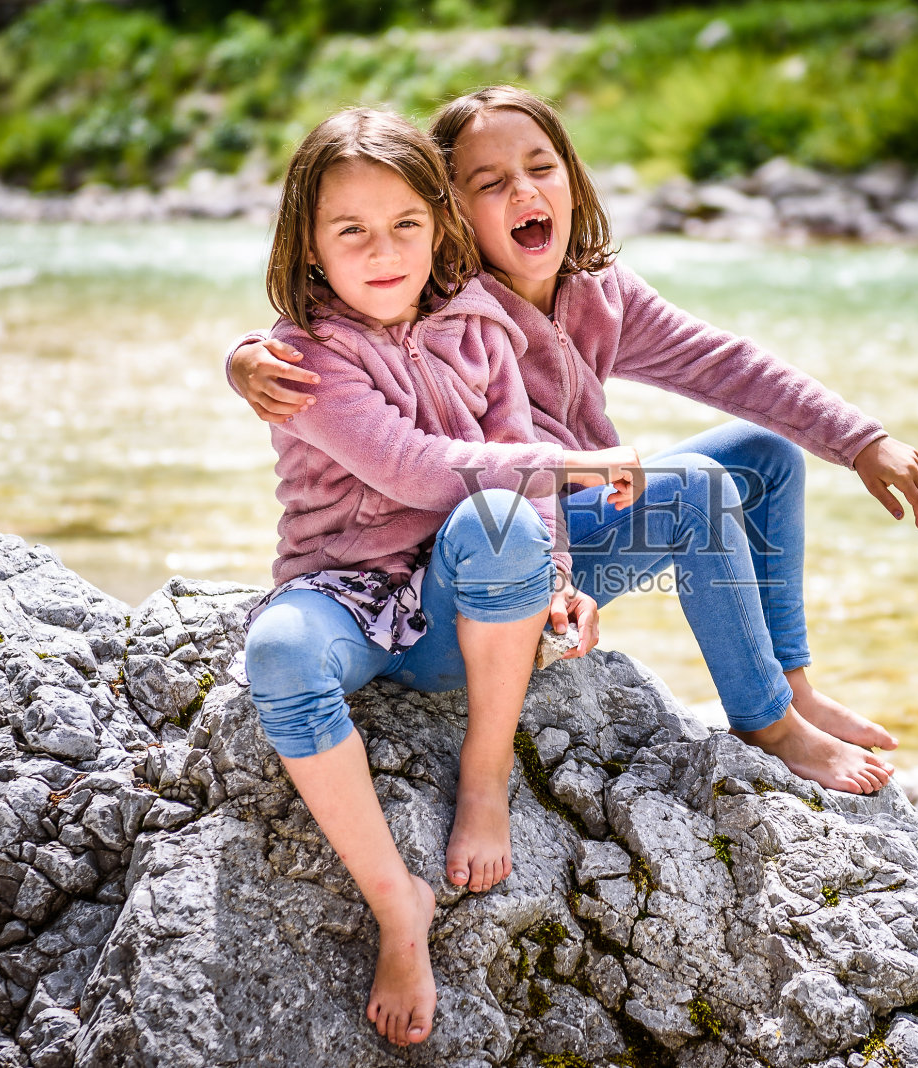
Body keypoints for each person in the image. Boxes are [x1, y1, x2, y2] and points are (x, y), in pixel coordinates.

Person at [229, 86, 918, 799]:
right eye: (489, 183)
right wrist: (245, 356)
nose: (523, 191)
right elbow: (342, 328)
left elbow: (726, 365)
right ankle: (768, 725)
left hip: (564, 529)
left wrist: (860, 438)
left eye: (541, 168)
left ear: (572, 177)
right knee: (694, 488)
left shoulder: (601, 292)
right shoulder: (447, 297)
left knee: (765, 456)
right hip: (490, 555)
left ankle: (790, 682)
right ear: (448, 212)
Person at [239, 105, 640, 1048]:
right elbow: (412, 466)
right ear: (308, 246)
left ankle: (484, 782)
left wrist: (556, 579)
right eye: (352, 233)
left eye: (406, 226)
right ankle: (397, 904)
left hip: (457, 619)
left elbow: (518, 487)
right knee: (279, 653)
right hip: (341, 595)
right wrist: (571, 463)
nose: (384, 252)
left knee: (502, 519)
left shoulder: (481, 332)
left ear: (440, 227)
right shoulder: (299, 358)